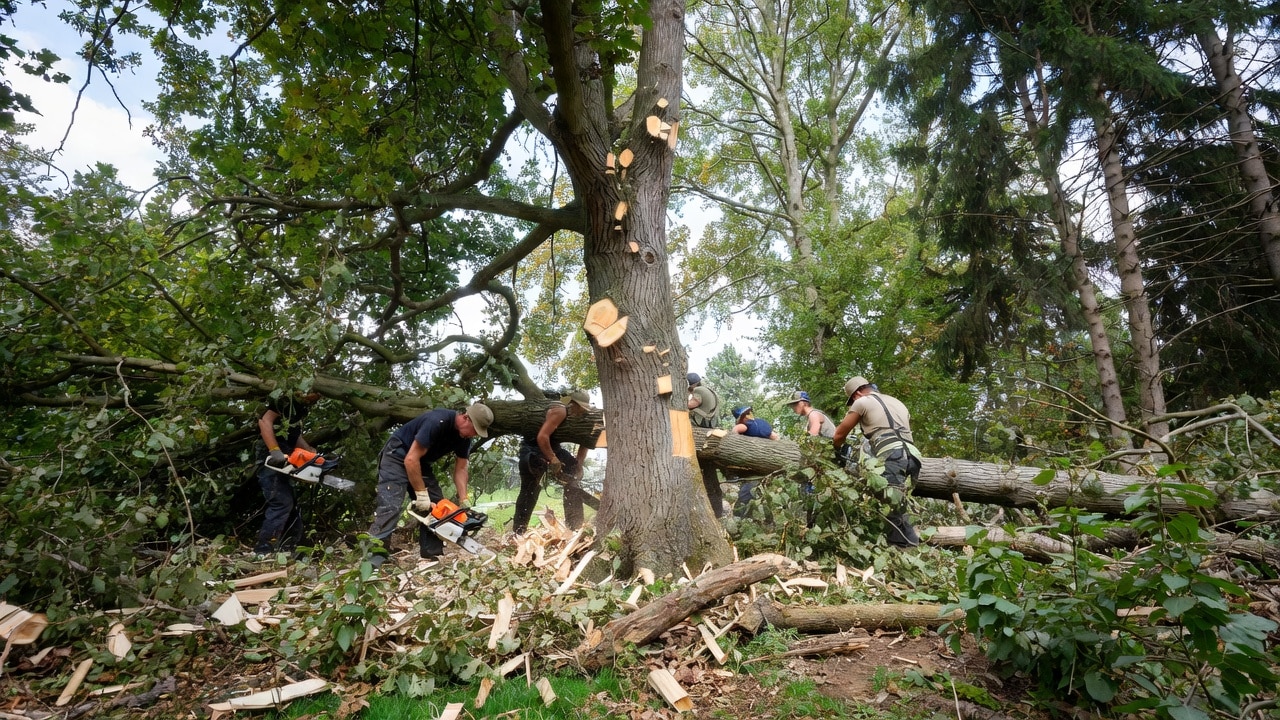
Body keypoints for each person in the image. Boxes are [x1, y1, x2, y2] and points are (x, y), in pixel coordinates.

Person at [366, 402, 493, 567]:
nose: (474, 435)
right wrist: (421, 494)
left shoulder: (464, 438)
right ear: (466, 418)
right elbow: (410, 460)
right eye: (475, 430)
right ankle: (373, 561)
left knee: (439, 508)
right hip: (397, 455)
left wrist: (464, 499)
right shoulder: (437, 421)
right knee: (391, 506)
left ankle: (430, 556)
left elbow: (461, 468)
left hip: (420, 462)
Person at [832, 376, 922, 548]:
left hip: (892, 454)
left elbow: (839, 435)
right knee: (901, 504)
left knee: (892, 507)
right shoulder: (897, 402)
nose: (853, 404)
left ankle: (902, 550)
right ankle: (910, 545)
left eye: (852, 401)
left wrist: (836, 451)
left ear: (856, 394)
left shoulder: (862, 402)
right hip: (914, 456)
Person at [514, 390, 593, 533]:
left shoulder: (584, 417)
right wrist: (553, 459)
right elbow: (542, 437)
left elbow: (585, 440)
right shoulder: (560, 411)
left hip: (554, 447)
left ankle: (575, 527)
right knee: (529, 489)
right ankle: (518, 531)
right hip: (533, 447)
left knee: (572, 473)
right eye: (581, 407)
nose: (582, 411)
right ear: (572, 404)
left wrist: (579, 464)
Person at [253, 391, 321, 556]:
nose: (317, 397)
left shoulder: (300, 408)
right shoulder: (285, 400)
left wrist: (311, 453)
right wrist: (274, 450)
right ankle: (263, 550)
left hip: (288, 455)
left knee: (289, 503)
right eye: (316, 393)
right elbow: (265, 421)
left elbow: (294, 435)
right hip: (271, 457)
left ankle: (288, 548)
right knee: (281, 502)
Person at [687, 372, 726, 516]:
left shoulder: (698, 391)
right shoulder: (708, 390)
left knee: (709, 481)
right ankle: (718, 512)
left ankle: (715, 512)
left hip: (701, 426)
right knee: (711, 477)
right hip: (709, 427)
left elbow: (692, 404)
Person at [730, 405, 778, 516]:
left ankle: (741, 517)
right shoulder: (761, 424)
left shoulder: (744, 425)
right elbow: (775, 436)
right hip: (764, 463)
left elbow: (736, 430)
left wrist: (733, 440)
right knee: (758, 493)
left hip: (756, 465)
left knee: (747, 494)